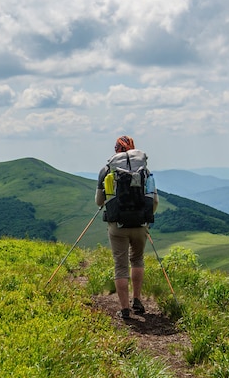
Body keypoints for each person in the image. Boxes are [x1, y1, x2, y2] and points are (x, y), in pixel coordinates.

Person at [95, 135, 159, 319]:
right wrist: (146, 220)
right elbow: (154, 201)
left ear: (116, 149)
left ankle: (124, 309)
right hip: (140, 224)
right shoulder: (145, 171)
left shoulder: (107, 170)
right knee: (137, 260)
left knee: (120, 266)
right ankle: (137, 299)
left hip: (117, 226)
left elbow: (99, 201)